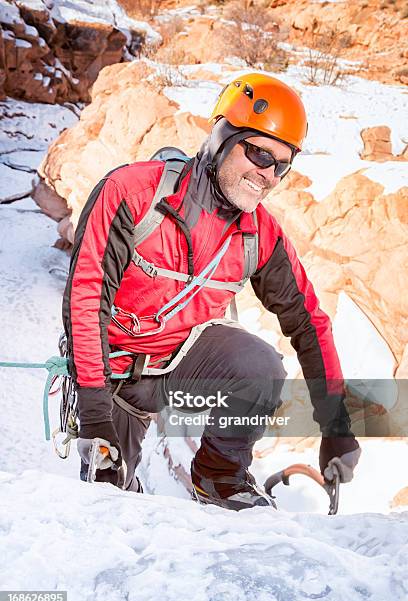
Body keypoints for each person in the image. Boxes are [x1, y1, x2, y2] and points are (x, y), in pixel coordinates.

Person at [63, 73, 361, 511]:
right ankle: (115, 473)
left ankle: (220, 476)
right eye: (260, 153)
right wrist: (93, 412)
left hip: (179, 367)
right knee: (110, 504)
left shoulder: (260, 233)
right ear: (224, 137)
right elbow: (86, 298)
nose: (268, 175)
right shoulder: (132, 193)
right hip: (112, 376)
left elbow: (307, 321)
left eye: (282, 164)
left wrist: (336, 424)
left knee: (259, 365)